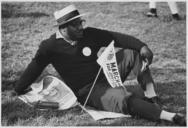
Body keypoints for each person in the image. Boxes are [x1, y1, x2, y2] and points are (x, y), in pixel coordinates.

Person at [14, 5, 186, 126]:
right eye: (77, 25)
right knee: (124, 100)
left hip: (106, 74)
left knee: (132, 53)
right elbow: (34, 67)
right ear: (64, 28)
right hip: (88, 91)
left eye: (82, 22)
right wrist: (19, 88)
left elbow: (118, 38)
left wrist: (142, 46)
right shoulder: (49, 46)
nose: (82, 27)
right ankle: (171, 117)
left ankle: (151, 96)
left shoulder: (88, 34)